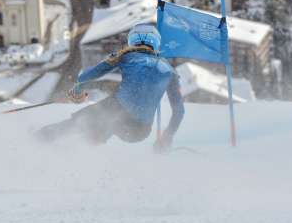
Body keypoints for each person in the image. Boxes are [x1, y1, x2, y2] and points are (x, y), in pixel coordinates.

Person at [37, 24, 185, 153]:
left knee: (82, 122)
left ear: (132, 41)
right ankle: (88, 150)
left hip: (117, 111)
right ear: (156, 44)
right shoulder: (170, 72)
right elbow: (179, 112)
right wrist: (167, 137)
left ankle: (39, 140)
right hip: (140, 131)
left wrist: (77, 90)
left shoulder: (126, 56)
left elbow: (87, 76)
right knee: (106, 121)